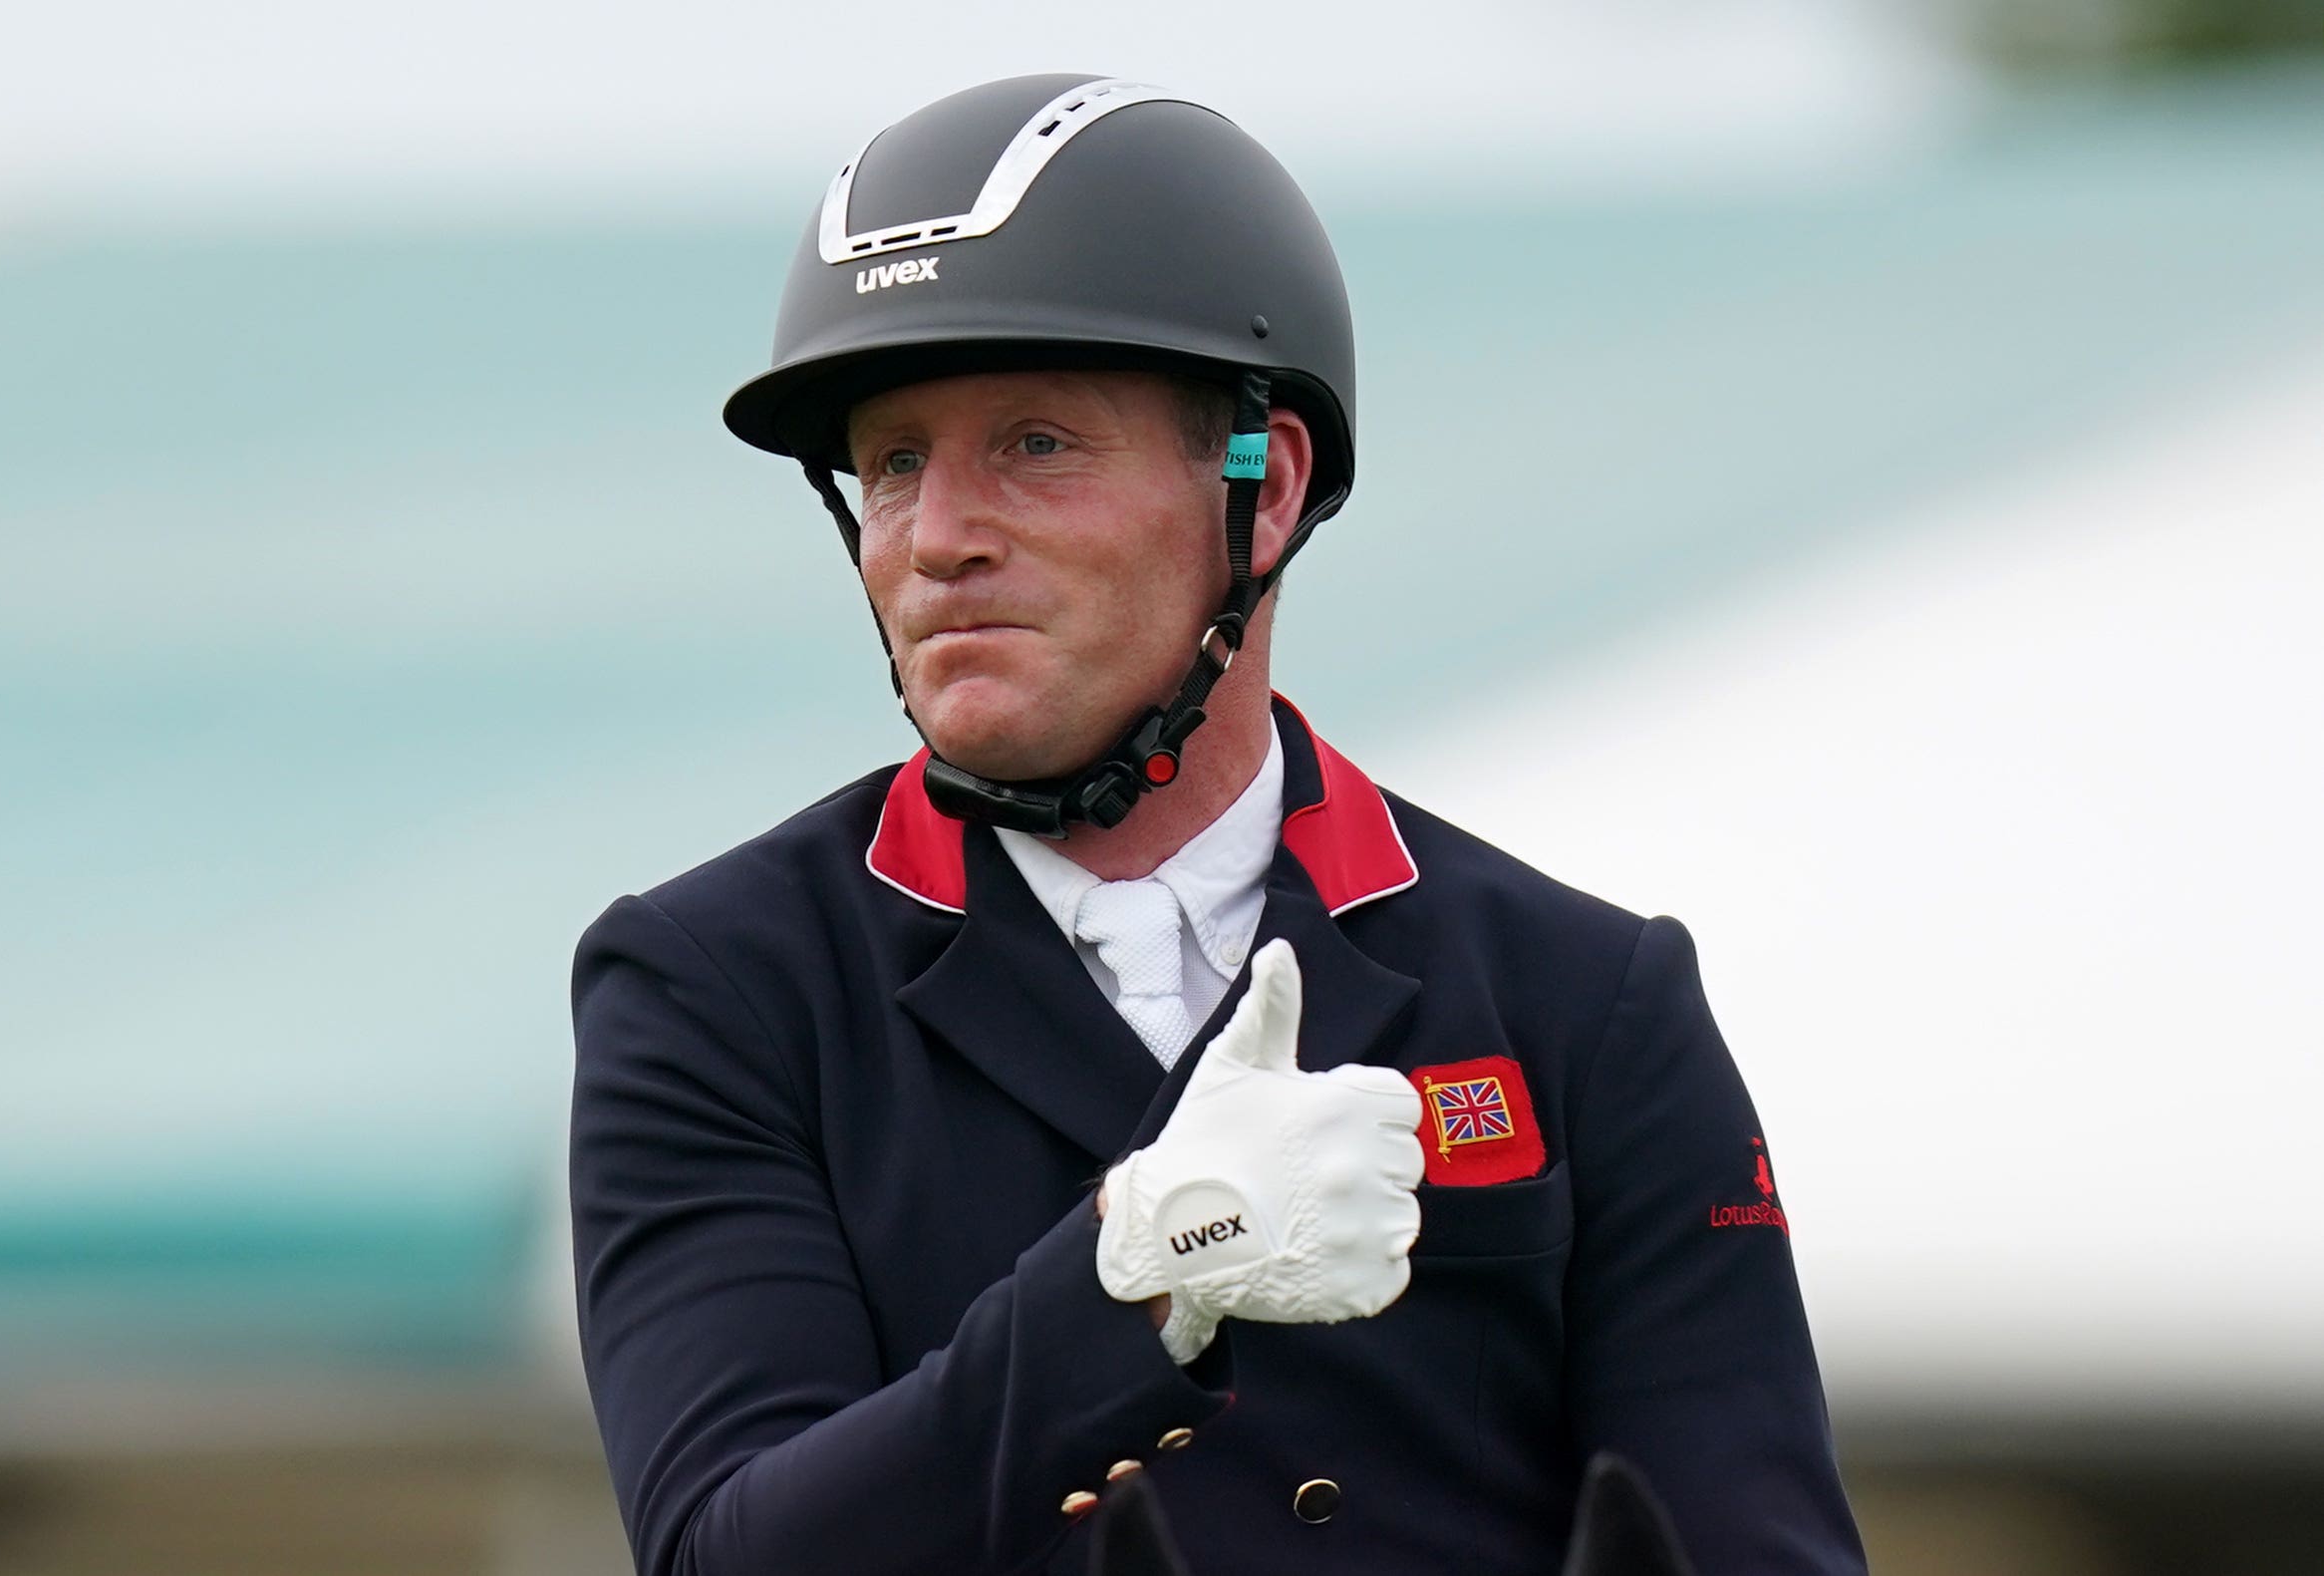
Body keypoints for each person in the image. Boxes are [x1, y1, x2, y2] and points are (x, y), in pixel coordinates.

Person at [569, 73, 1867, 1576]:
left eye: (1035, 443)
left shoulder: (1589, 999)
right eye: (895, 460)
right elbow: (730, 1553)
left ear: (1264, 490)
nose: (937, 537)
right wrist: (1136, 1273)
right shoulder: (716, 985)